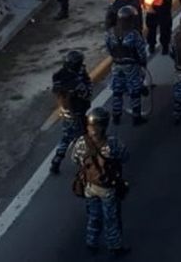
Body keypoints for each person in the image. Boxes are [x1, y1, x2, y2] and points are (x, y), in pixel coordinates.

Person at [69, 108, 130, 258]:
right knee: (111, 218)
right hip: (107, 188)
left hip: (89, 186)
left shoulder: (82, 142)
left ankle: (91, 243)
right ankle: (115, 246)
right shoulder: (112, 143)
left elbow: (74, 159)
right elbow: (125, 156)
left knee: (93, 216)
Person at [50, 50, 92, 175]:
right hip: (74, 112)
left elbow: (87, 86)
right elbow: (85, 93)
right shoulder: (69, 79)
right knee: (82, 137)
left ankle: (56, 161)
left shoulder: (63, 75)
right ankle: (87, 164)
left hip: (70, 111)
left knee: (66, 137)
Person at [106, 6, 149, 126]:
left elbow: (109, 48)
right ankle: (136, 117)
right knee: (135, 91)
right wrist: (143, 63)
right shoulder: (134, 34)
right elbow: (141, 51)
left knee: (117, 91)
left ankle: (116, 116)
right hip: (131, 66)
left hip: (116, 65)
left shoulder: (111, 33)